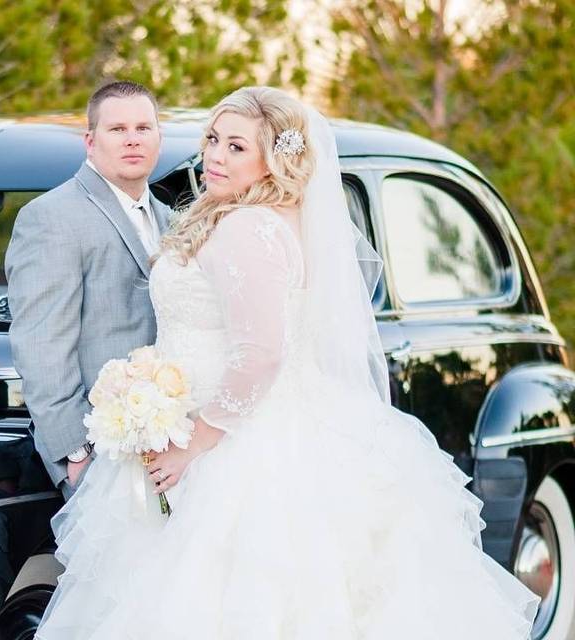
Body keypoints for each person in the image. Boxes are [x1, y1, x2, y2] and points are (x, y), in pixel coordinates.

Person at [35, 86, 539, 639]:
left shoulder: (247, 226)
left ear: (272, 158)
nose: (215, 157)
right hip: (278, 419)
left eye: (236, 148)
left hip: (234, 442)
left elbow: (261, 353)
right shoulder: (270, 217)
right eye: (212, 141)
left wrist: (193, 443)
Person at [5, 80, 172, 498]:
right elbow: (41, 345)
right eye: (117, 130)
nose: (132, 140)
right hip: (97, 455)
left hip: (167, 449)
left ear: (158, 137)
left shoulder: (170, 219)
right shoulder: (51, 217)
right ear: (90, 141)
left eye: (143, 128)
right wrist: (74, 454)